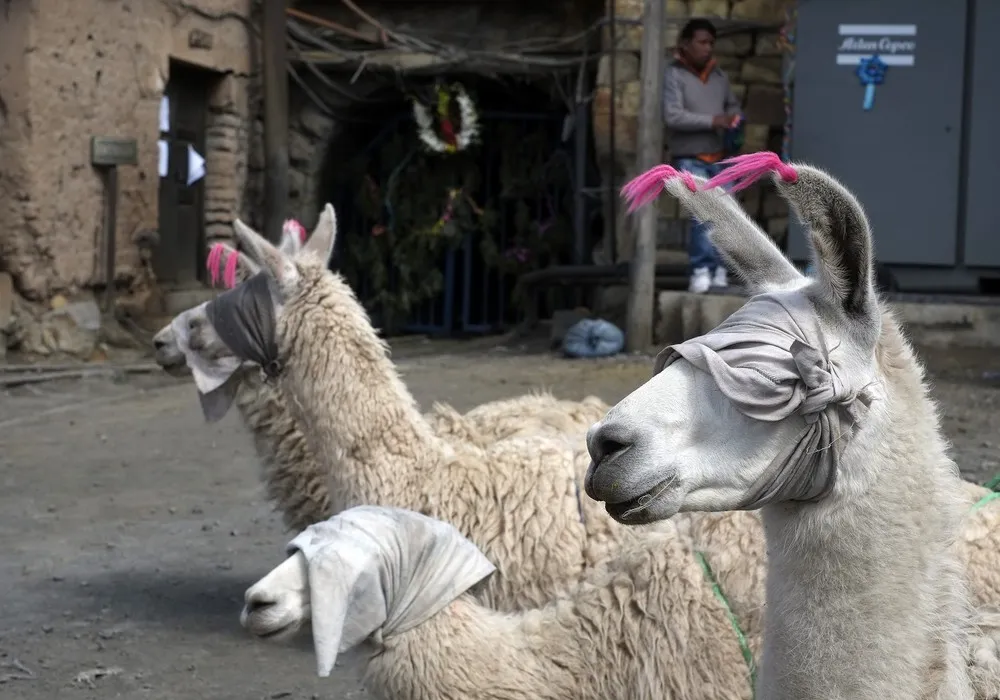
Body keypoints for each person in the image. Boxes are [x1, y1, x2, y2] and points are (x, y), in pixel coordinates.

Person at [663, 18, 742, 293]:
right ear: (685, 44)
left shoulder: (719, 76)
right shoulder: (674, 75)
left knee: (728, 214)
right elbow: (673, 116)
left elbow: (733, 106)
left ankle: (721, 269)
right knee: (701, 215)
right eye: (702, 42)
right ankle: (700, 270)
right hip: (690, 157)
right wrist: (713, 120)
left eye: (711, 43)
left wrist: (734, 118)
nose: (707, 48)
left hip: (720, 157)